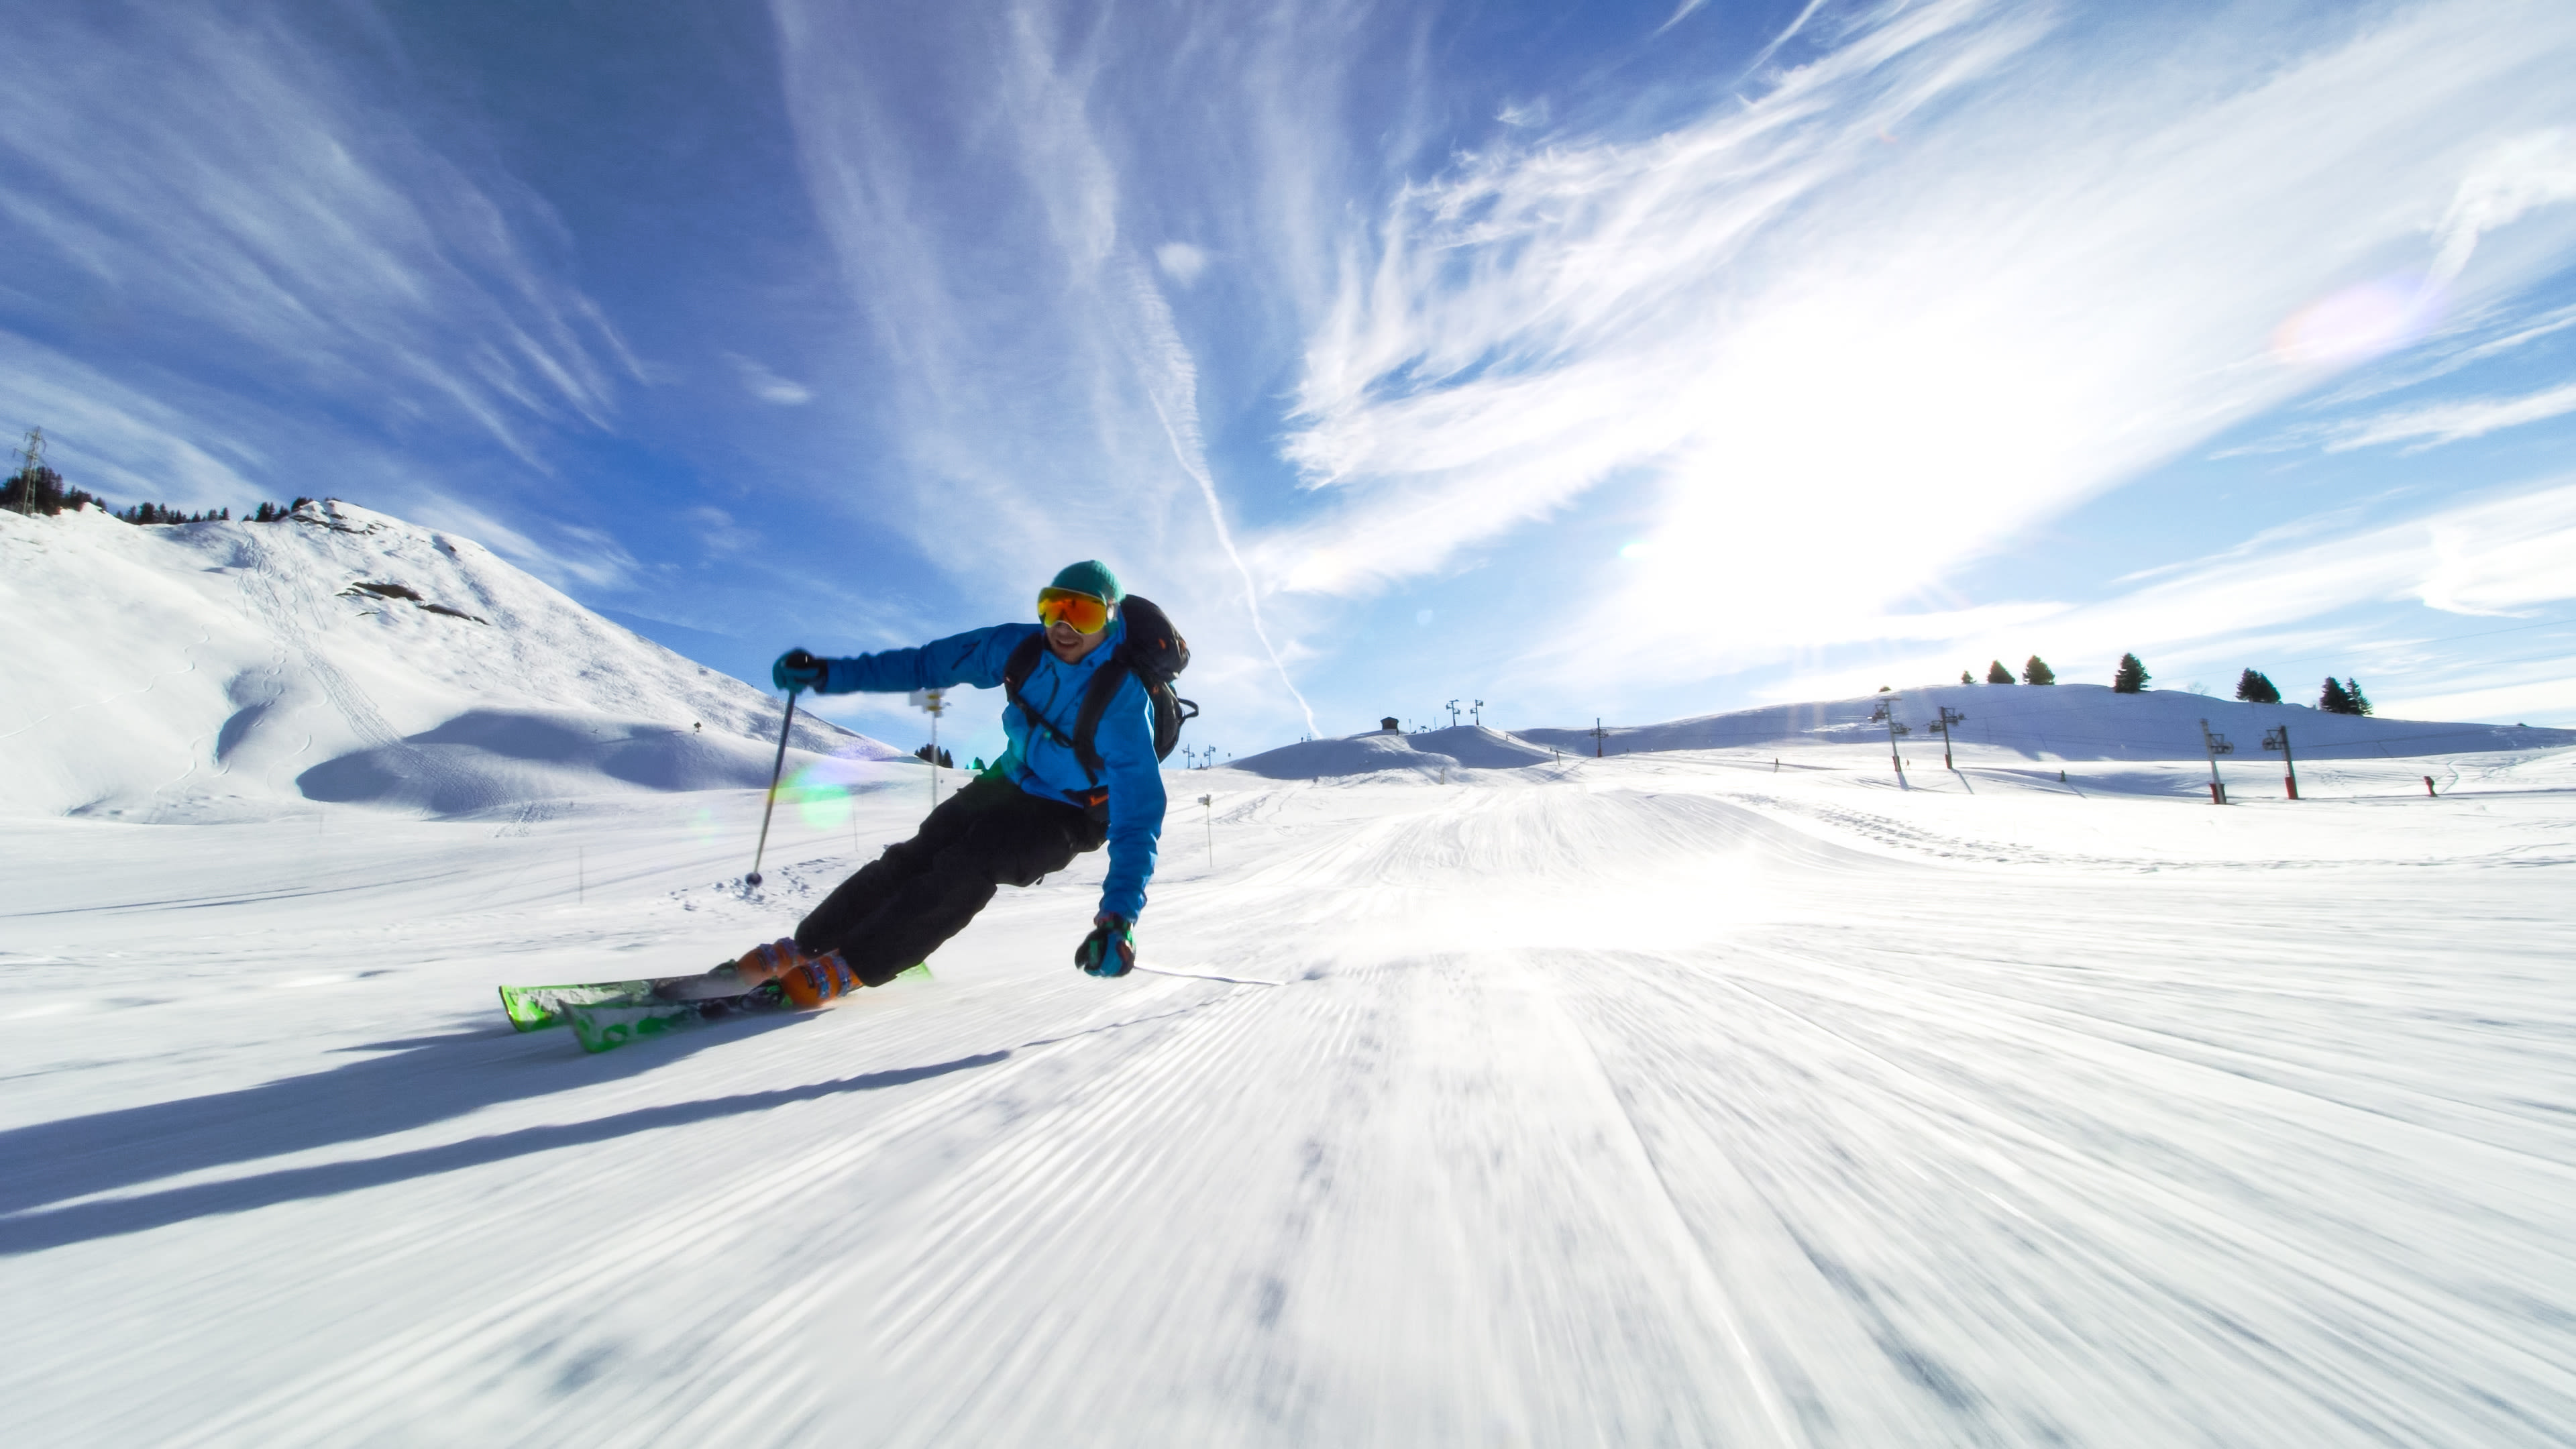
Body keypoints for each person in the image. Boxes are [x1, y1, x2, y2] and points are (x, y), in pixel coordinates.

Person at [730, 561, 1165, 1007]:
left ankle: (857, 964)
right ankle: (809, 945)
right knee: (917, 855)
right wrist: (829, 674)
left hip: (1073, 811)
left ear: (1111, 620)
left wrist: (1118, 920)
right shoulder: (1019, 648)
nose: (1065, 626)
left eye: (1085, 614)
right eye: (1054, 608)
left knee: (970, 862)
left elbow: (1139, 820)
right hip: (1011, 777)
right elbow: (926, 665)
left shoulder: (1123, 704)